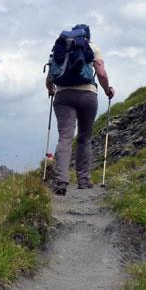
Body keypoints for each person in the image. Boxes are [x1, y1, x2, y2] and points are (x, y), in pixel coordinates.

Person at [45, 24, 114, 195]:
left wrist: (51, 91)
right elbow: (101, 73)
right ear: (87, 37)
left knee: (65, 138)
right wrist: (107, 90)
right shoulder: (92, 47)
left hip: (63, 96)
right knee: (84, 138)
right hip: (87, 95)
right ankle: (84, 181)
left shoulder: (60, 47)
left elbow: (49, 79)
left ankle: (61, 180)